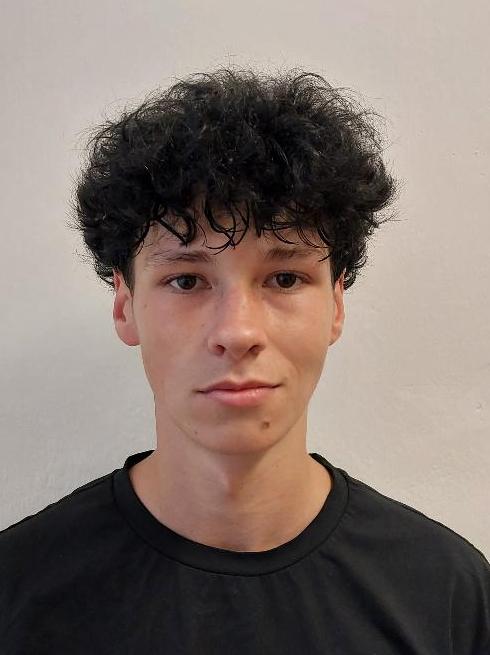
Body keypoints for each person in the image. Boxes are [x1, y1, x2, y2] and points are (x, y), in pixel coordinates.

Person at [0, 68, 488, 654]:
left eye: (284, 278)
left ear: (335, 305)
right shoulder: (17, 593)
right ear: (125, 306)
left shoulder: (448, 593)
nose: (237, 332)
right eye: (186, 280)